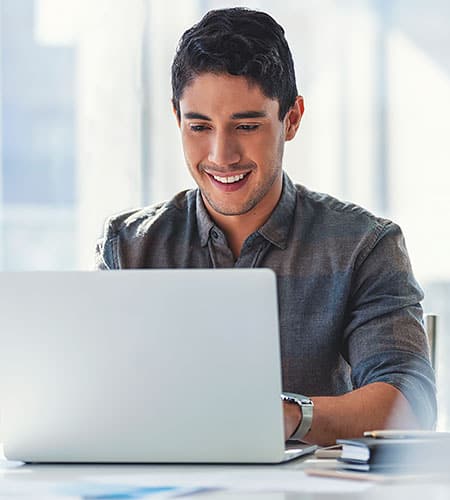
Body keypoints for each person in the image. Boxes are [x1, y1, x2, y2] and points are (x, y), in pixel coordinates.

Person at [95, 7, 436, 445]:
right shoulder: (129, 247)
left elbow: (410, 404)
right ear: (177, 118)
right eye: (199, 125)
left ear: (291, 119)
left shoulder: (363, 246)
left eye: (247, 125)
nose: (222, 154)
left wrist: (287, 416)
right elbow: (99, 399)